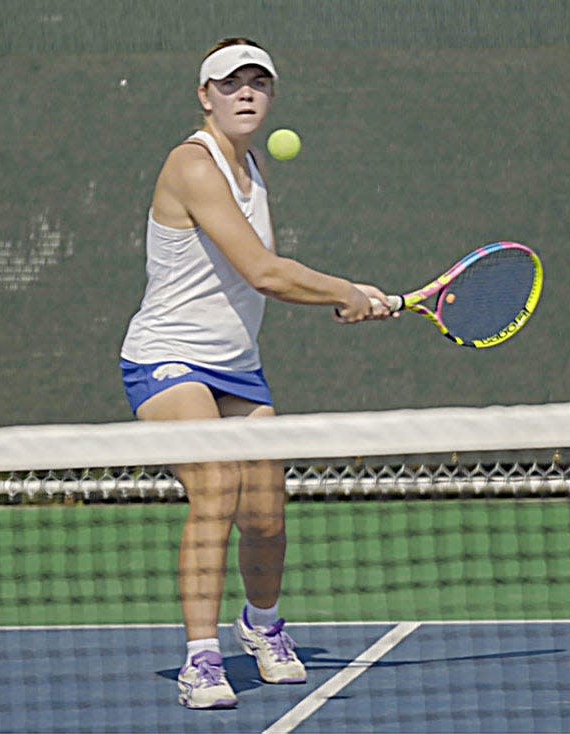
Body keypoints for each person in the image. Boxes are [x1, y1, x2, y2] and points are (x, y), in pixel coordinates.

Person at [119, 37, 392, 710]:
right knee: (217, 487)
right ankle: (201, 660)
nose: (246, 92)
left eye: (258, 82)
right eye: (230, 82)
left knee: (266, 518)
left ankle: (261, 626)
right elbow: (264, 273)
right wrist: (343, 289)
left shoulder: (252, 170)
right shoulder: (193, 165)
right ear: (204, 95)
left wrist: (342, 295)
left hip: (236, 368)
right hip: (166, 359)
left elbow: (264, 282)